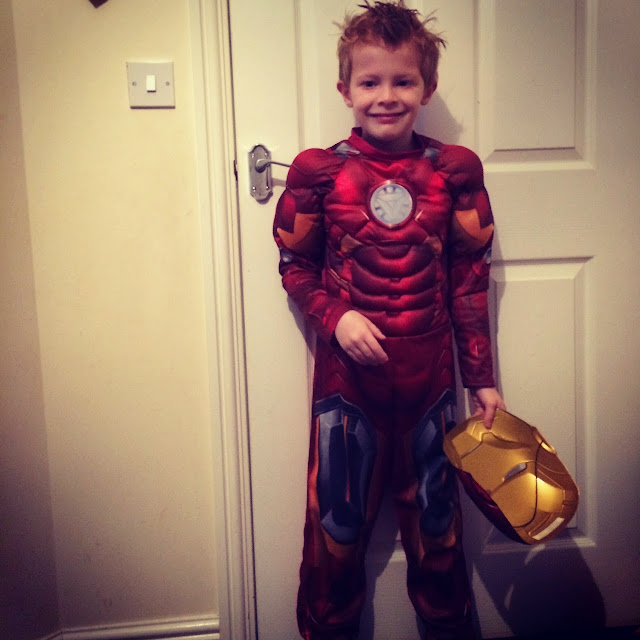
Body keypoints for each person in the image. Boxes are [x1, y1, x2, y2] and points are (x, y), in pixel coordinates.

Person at [273, 2, 506, 638]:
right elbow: (293, 265)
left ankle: (448, 628)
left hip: (432, 377)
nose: (386, 96)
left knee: (439, 524)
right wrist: (336, 315)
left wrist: (482, 378)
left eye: (403, 81)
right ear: (344, 88)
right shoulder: (316, 172)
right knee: (336, 526)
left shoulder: (456, 170)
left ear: (427, 87)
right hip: (348, 380)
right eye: (370, 81)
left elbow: (469, 278)